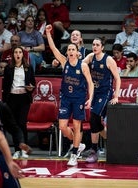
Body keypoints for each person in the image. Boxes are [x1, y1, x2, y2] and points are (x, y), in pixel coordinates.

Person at [46, 24, 94, 166]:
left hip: (79, 98)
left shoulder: (83, 65)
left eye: (73, 49)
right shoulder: (64, 62)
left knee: (77, 126)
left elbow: (90, 83)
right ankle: (77, 145)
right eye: (69, 49)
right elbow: (53, 48)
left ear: (78, 53)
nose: (71, 51)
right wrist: (48, 33)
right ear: (67, 53)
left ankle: (74, 154)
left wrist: (90, 98)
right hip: (66, 98)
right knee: (62, 127)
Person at [82, 37, 121, 163]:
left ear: (102, 47)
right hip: (95, 92)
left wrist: (116, 96)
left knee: (94, 118)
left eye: (97, 45)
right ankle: (114, 141)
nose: (94, 47)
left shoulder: (108, 60)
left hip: (105, 93)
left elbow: (118, 78)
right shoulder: (91, 57)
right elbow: (81, 63)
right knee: (96, 123)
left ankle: (94, 151)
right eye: (93, 44)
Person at [2, 46, 35, 159]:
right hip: (12, 98)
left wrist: (31, 88)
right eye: (16, 52)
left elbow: (32, 83)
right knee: (14, 124)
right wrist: (4, 101)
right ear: (13, 55)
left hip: (24, 98)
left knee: (22, 123)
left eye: (20, 52)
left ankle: (24, 149)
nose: (18, 54)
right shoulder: (8, 68)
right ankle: (16, 149)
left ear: (23, 54)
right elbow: (5, 86)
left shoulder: (28, 67)